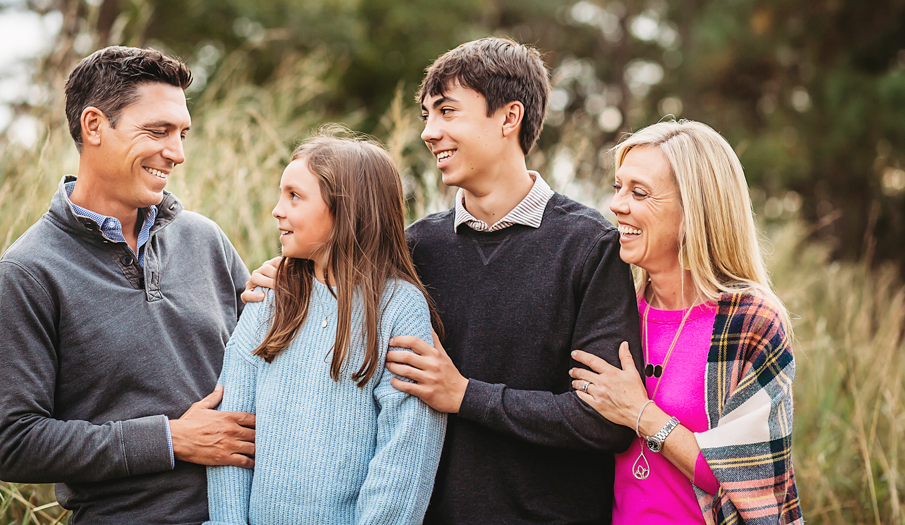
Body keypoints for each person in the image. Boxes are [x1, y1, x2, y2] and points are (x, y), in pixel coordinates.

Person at [244, 38, 642, 524]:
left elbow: (604, 422)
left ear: (509, 117)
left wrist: (465, 394)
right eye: (427, 116)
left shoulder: (590, 247)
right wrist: (288, 275)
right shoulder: (415, 248)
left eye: (447, 111)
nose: (430, 132)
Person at [0, 46, 256, 525]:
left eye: (182, 133)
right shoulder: (28, 272)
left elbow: (269, 363)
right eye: (158, 131)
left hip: (247, 512)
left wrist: (297, 288)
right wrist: (170, 439)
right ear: (94, 126)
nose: (177, 152)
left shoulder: (205, 239)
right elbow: (16, 444)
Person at [569, 120, 803, 524]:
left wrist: (641, 414)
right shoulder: (613, 309)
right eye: (618, 188)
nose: (617, 205)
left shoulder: (750, 323)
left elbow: (749, 478)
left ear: (693, 210)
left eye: (638, 192)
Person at [206, 134, 447, 525]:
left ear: (344, 209)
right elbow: (231, 431)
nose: (276, 210)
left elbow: (405, 454)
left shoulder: (399, 308)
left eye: (294, 196)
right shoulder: (270, 295)